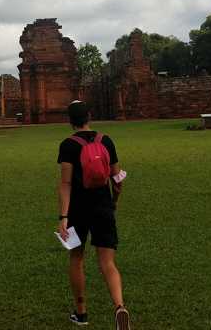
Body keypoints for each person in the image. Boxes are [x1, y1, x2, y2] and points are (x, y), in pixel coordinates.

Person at [56, 100, 130, 329]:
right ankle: (119, 307)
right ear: (89, 116)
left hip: (77, 210)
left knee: (76, 259)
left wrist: (63, 217)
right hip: (103, 206)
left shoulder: (68, 145)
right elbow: (117, 179)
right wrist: (114, 202)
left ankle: (81, 313)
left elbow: (66, 184)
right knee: (108, 263)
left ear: (70, 120)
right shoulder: (106, 140)